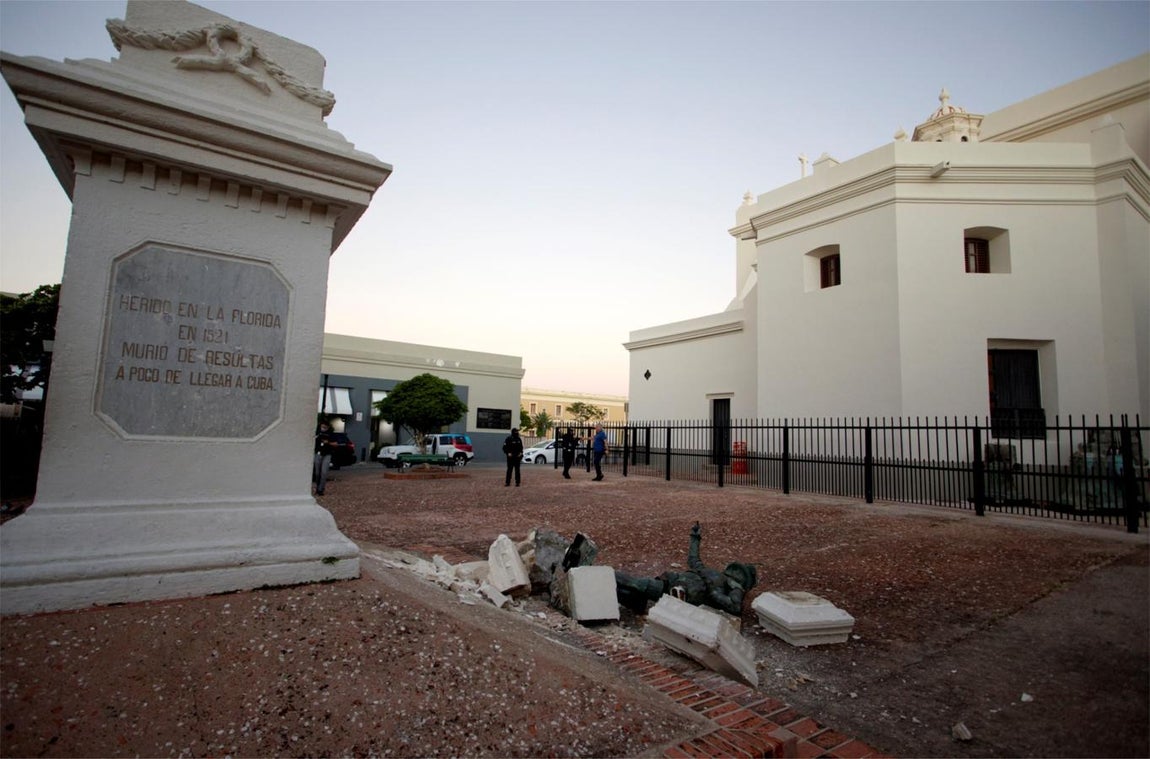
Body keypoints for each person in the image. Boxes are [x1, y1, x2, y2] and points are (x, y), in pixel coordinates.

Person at [614, 521, 757, 615]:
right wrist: (695, 538)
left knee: (636, 584)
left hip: (686, 593)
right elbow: (694, 560)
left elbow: (735, 607)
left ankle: (605, 577)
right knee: (638, 586)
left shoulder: (734, 586)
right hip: (673, 583)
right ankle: (635, 600)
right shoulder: (713, 573)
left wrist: (712, 590)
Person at [313, 422, 333, 496]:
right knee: (317, 473)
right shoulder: (317, 433)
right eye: (322, 427)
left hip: (327, 454)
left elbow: (336, 443)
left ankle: (321, 489)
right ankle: (318, 487)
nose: (323, 428)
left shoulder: (331, 434)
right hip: (318, 453)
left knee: (324, 473)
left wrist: (328, 442)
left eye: (325, 427)